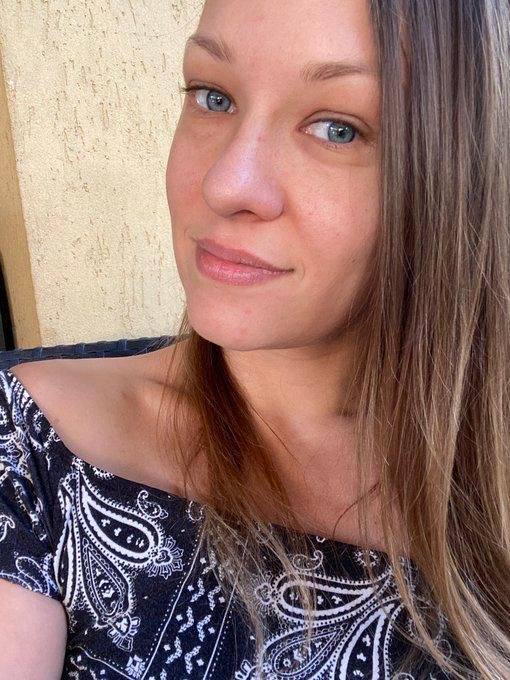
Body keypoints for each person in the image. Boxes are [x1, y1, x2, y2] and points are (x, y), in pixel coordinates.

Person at [0, 0, 509, 677]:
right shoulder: (29, 448)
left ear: (470, 177)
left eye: (337, 129)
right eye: (214, 96)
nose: (226, 184)